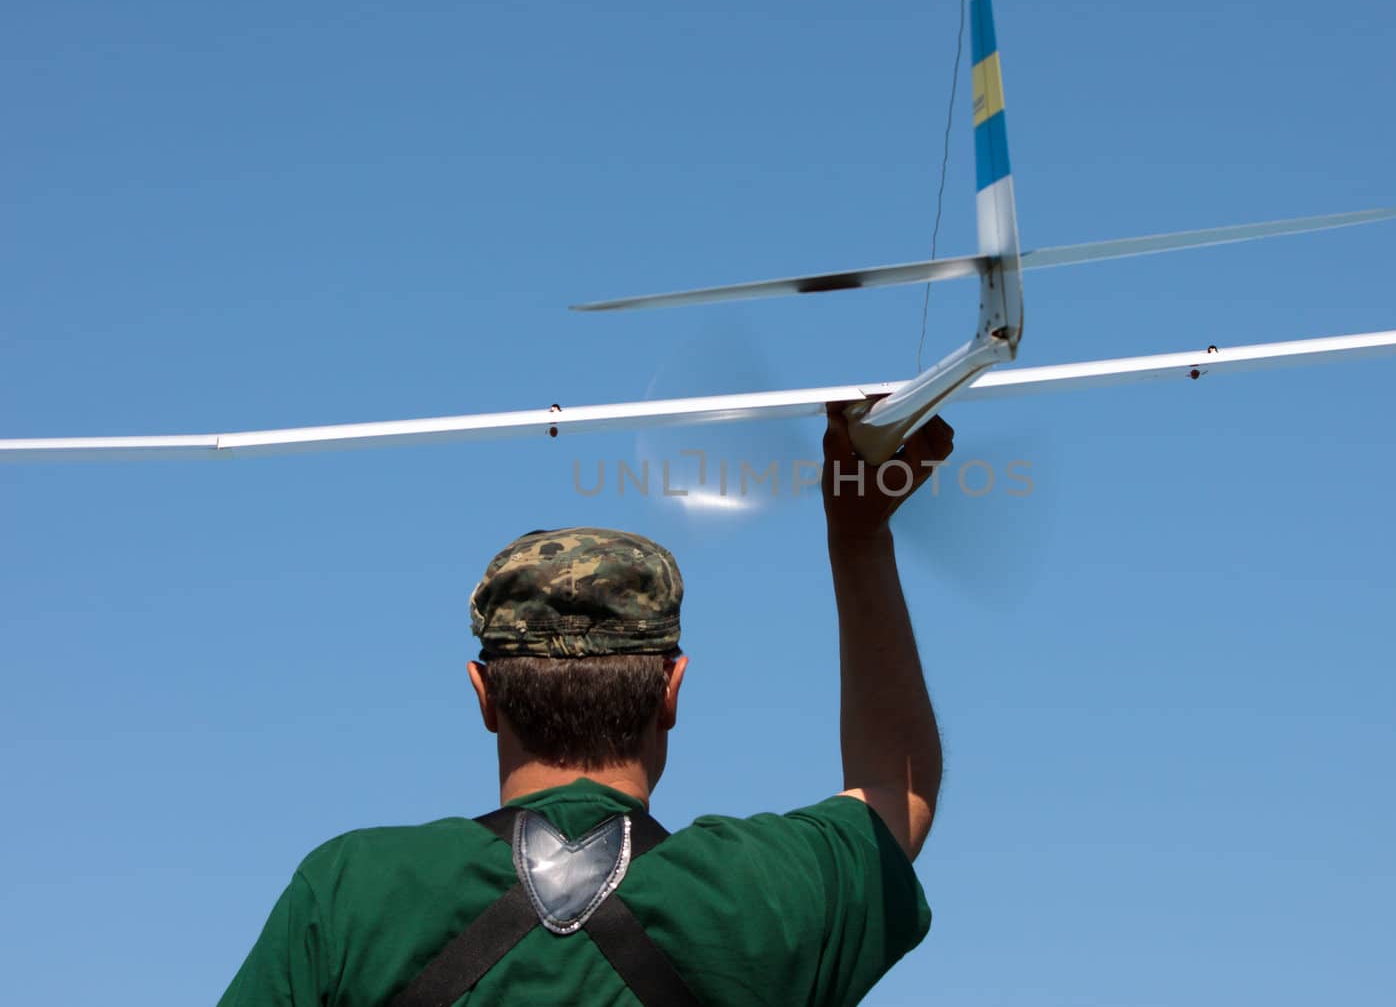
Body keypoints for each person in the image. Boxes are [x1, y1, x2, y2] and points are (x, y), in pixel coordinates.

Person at [220, 407, 955, 1005]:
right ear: (672, 691)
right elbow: (900, 791)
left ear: (484, 695)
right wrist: (859, 534)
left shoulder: (352, 892)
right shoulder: (763, 895)